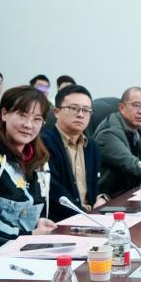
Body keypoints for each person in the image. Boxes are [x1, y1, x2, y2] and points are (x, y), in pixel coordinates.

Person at [0, 86, 55, 247]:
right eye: (22, 115)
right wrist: (26, 235)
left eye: (37, 119)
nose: (29, 125)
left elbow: (33, 204)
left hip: (29, 245)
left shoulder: (39, 157)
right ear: (4, 114)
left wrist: (37, 222)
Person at [41, 85, 106, 222]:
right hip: (61, 221)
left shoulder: (92, 146)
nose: (80, 114)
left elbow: (96, 186)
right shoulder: (43, 143)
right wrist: (86, 217)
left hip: (92, 217)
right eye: (74, 108)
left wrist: (102, 198)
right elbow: (54, 191)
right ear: (57, 112)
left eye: (86, 110)